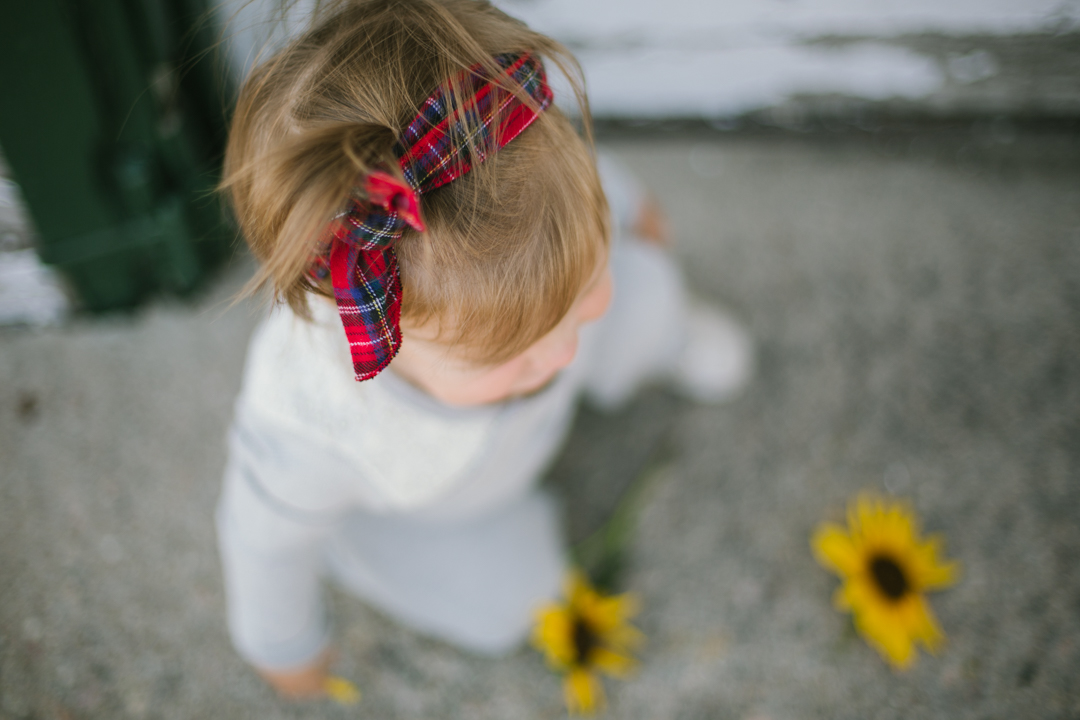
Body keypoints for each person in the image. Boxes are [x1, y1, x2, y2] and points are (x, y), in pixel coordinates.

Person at [215, 0, 753, 698]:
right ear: (384, 334)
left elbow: (579, 183)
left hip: (516, 429)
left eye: (582, 289)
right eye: (512, 356)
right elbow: (262, 541)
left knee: (642, 290)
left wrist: (626, 210)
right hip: (445, 498)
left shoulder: (521, 173)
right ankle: (362, 548)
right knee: (516, 602)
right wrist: (282, 644)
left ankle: (663, 337)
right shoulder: (312, 426)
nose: (560, 354)